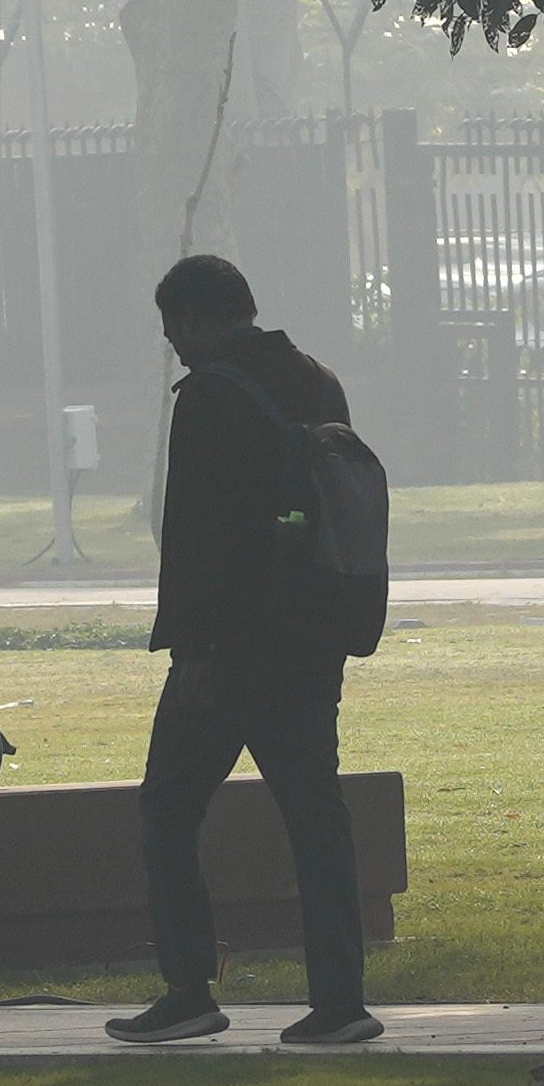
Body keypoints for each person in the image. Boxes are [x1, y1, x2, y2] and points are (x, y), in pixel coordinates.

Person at [106, 255, 379, 1046]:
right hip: (313, 633)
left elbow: (199, 536)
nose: (176, 350)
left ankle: (188, 990)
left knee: (168, 806)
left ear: (194, 319)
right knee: (314, 813)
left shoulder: (212, 396)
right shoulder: (318, 381)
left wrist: (193, 650)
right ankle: (340, 1001)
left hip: (229, 647)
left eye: (173, 333)